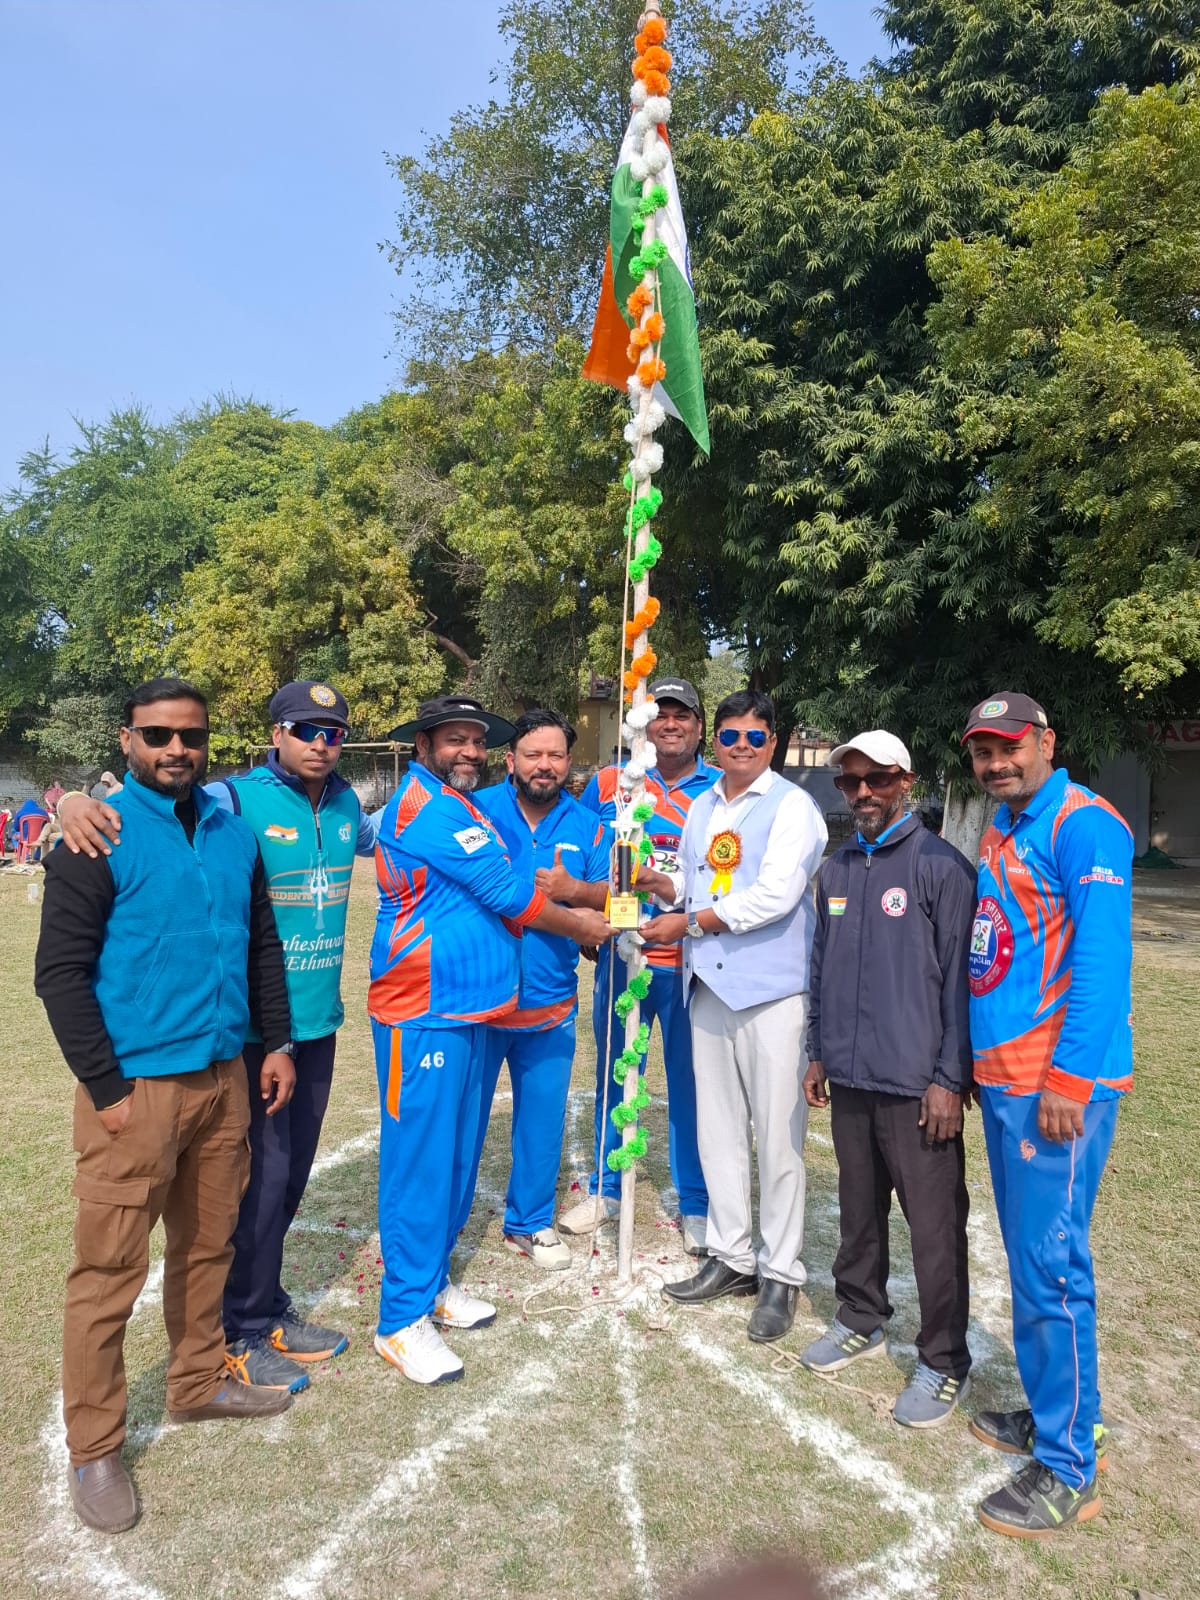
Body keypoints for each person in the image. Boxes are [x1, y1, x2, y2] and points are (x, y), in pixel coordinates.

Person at [58, 680, 378, 1392]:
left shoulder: (347, 806)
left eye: (332, 732)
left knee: (283, 1185)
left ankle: (262, 1306)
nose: (321, 743)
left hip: (308, 1026)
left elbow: (406, 831)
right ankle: (241, 1325)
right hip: (240, 1037)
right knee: (252, 1191)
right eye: (305, 730)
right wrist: (68, 800)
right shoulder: (232, 800)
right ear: (275, 734)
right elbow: (146, 805)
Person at [33, 678, 297, 1536]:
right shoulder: (97, 834)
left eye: (191, 735)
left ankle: (196, 1382)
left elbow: (261, 944)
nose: (176, 749)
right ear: (127, 740)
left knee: (208, 1245)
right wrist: (107, 1089)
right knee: (108, 1273)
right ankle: (94, 1447)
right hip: (136, 1090)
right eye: (157, 735)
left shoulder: (230, 830)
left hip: (223, 1079)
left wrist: (278, 1042)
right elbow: (59, 975)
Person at [369, 695, 613, 1384]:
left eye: (477, 740)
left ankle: (431, 1287)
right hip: (424, 1010)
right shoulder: (430, 807)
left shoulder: (470, 805)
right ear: (423, 744)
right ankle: (400, 1320)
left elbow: (606, 885)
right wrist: (583, 924)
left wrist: (594, 899)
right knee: (420, 1164)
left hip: (478, 1010)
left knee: (453, 1158)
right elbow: (510, 894)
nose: (469, 751)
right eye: (455, 739)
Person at [962, 691, 1133, 1538]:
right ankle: (1062, 1415)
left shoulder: (1084, 824)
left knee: (1050, 1269)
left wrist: (1068, 1081)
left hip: (1052, 1093)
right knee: (1038, 1266)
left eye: (1010, 746)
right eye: (982, 751)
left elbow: (1102, 960)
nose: (997, 762)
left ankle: (1070, 1470)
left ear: (1046, 743)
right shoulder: (1005, 824)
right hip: (1007, 1083)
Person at [800, 730, 977, 1427]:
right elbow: (820, 966)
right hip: (850, 1076)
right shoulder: (838, 868)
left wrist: (949, 1079)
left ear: (906, 780)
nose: (863, 792)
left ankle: (943, 1360)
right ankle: (860, 1316)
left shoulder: (942, 867)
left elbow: (962, 985)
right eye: (851, 782)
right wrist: (818, 1051)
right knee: (858, 1211)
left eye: (877, 779)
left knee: (935, 1230)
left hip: (917, 1086)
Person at [640, 691, 827, 1342]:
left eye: (754, 737)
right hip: (709, 990)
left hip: (772, 996)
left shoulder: (793, 807)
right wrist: (658, 886)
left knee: (777, 1138)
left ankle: (780, 1274)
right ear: (713, 742)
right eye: (729, 737)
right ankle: (732, 1257)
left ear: (772, 742)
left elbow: (775, 897)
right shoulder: (703, 806)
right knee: (717, 1130)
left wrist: (688, 921)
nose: (741, 747)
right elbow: (696, 887)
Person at [560, 679, 717, 1252]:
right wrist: (585, 913)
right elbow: (580, 847)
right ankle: (607, 1190)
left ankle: (695, 1202)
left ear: (698, 727)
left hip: (690, 964)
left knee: (691, 1085)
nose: (669, 724)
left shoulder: (719, 789)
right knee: (614, 1074)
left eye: (682, 715)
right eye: (660, 715)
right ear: (643, 726)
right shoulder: (613, 780)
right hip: (620, 959)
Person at [457, 709, 611, 1268]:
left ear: (569, 762)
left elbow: (619, 899)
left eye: (555, 755)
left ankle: (529, 1221)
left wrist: (578, 892)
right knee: (462, 1126)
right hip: (479, 1003)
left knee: (542, 1124)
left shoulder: (591, 826)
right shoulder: (473, 810)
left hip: (550, 1003)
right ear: (510, 760)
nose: (544, 766)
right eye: (533, 754)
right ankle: (444, 1229)